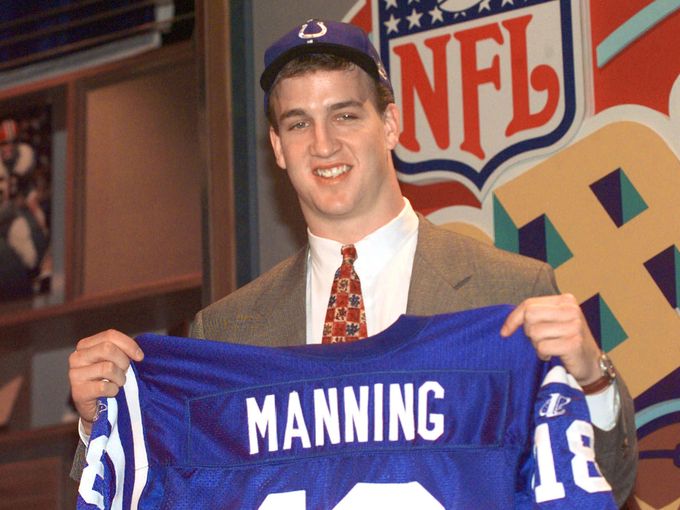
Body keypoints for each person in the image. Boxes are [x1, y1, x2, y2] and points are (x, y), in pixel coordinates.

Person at [69, 19, 637, 506]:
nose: (323, 145)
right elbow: (175, 490)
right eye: (298, 123)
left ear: (390, 124)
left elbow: (601, 487)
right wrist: (102, 422)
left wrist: (591, 379)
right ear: (277, 147)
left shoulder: (506, 291)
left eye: (344, 116)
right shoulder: (226, 331)